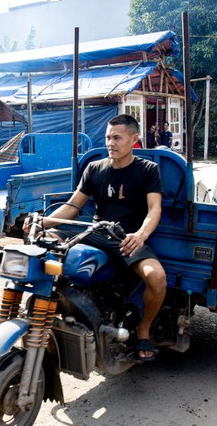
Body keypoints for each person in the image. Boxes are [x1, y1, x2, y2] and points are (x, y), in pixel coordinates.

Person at [26, 114, 167, 361]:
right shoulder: (94, 168)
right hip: (93, 232)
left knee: (156, 277)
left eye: (117, 138)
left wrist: (140, 235)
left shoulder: (147, 170)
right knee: (43, 243)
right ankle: (55, 303)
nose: (110, 143)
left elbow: (155, 209)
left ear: (134, 139)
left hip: (126, 238)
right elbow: (72, 206)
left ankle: (143, 328)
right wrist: (41, 222)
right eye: (107, 137)